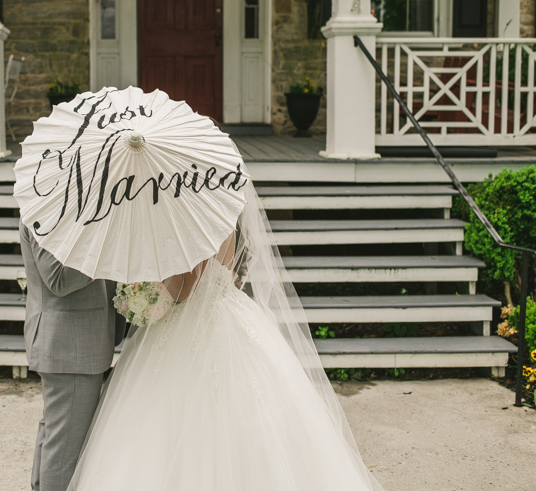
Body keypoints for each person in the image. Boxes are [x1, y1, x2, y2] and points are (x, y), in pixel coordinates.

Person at [65, 180, 386, 491]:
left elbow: (184, 288)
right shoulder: (230, 204)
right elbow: (230, 273)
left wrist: (152, 284)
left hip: (190, 321)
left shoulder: (193, 210)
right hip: (230, 309)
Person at [19, 223, 124, 491]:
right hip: (69, 343)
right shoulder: (46, 210)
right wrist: (108, 245)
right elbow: (58, 279)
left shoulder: (75, 207)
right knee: (65, 448)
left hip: (77, 341)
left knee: (57, 434)